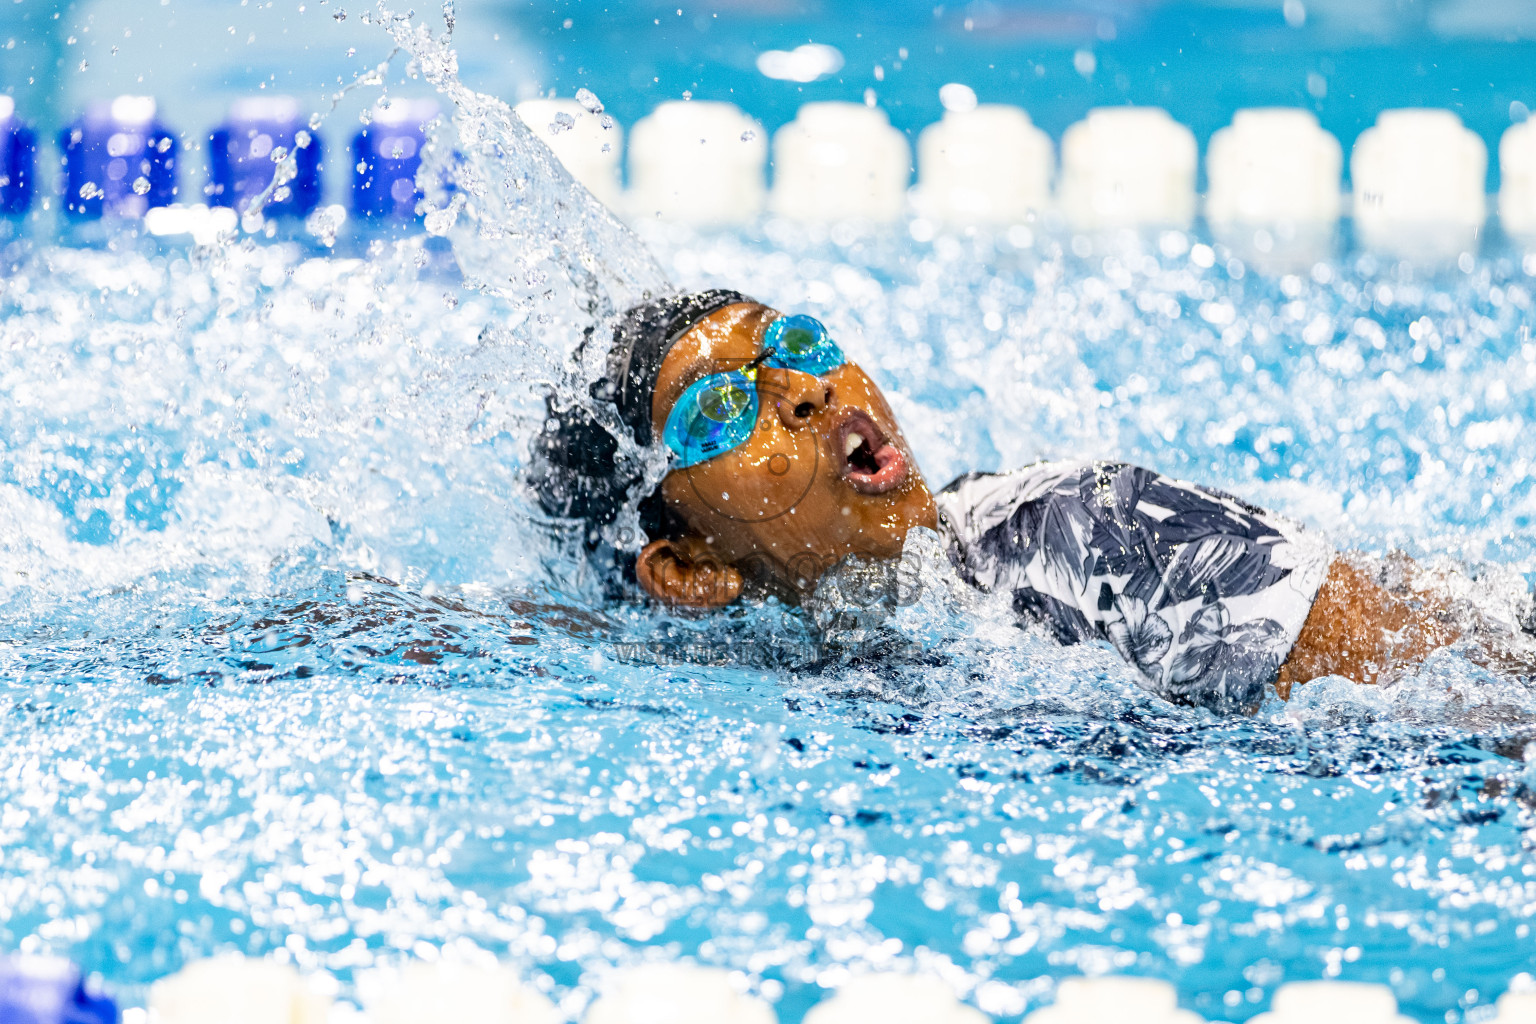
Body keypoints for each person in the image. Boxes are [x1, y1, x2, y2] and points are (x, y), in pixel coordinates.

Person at [530, 290, 1505, 713]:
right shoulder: (818, 639)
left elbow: (1466, 702)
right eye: (724, 408)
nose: (806, 388)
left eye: (796, 343)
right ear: (691, 572)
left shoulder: (1084, 531)